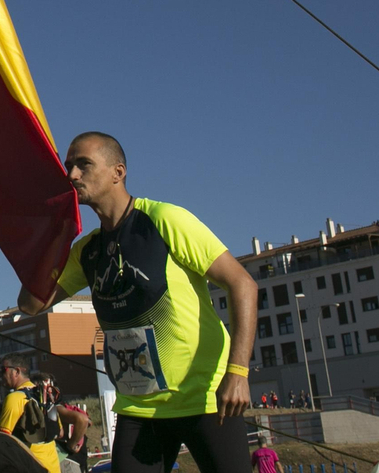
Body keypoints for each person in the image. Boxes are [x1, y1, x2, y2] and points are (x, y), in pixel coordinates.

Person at [18, 132, 259, 473]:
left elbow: (243, 284)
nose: (72, 175)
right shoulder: (86, 251)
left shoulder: (163, 220)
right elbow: (30, 305)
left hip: (205, 398)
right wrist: (50, 240)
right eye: (69, 166)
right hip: (139, 407)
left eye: (83, 165)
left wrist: (238, 372)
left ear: (118, 172)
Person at [0, 355, 61, 473]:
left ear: (16, 371)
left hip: (30, 467)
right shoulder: (45, 396)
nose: (0, 375)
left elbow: (3, 440)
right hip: (53, 468)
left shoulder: (14, 398)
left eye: (3, 370)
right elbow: (60, 432)